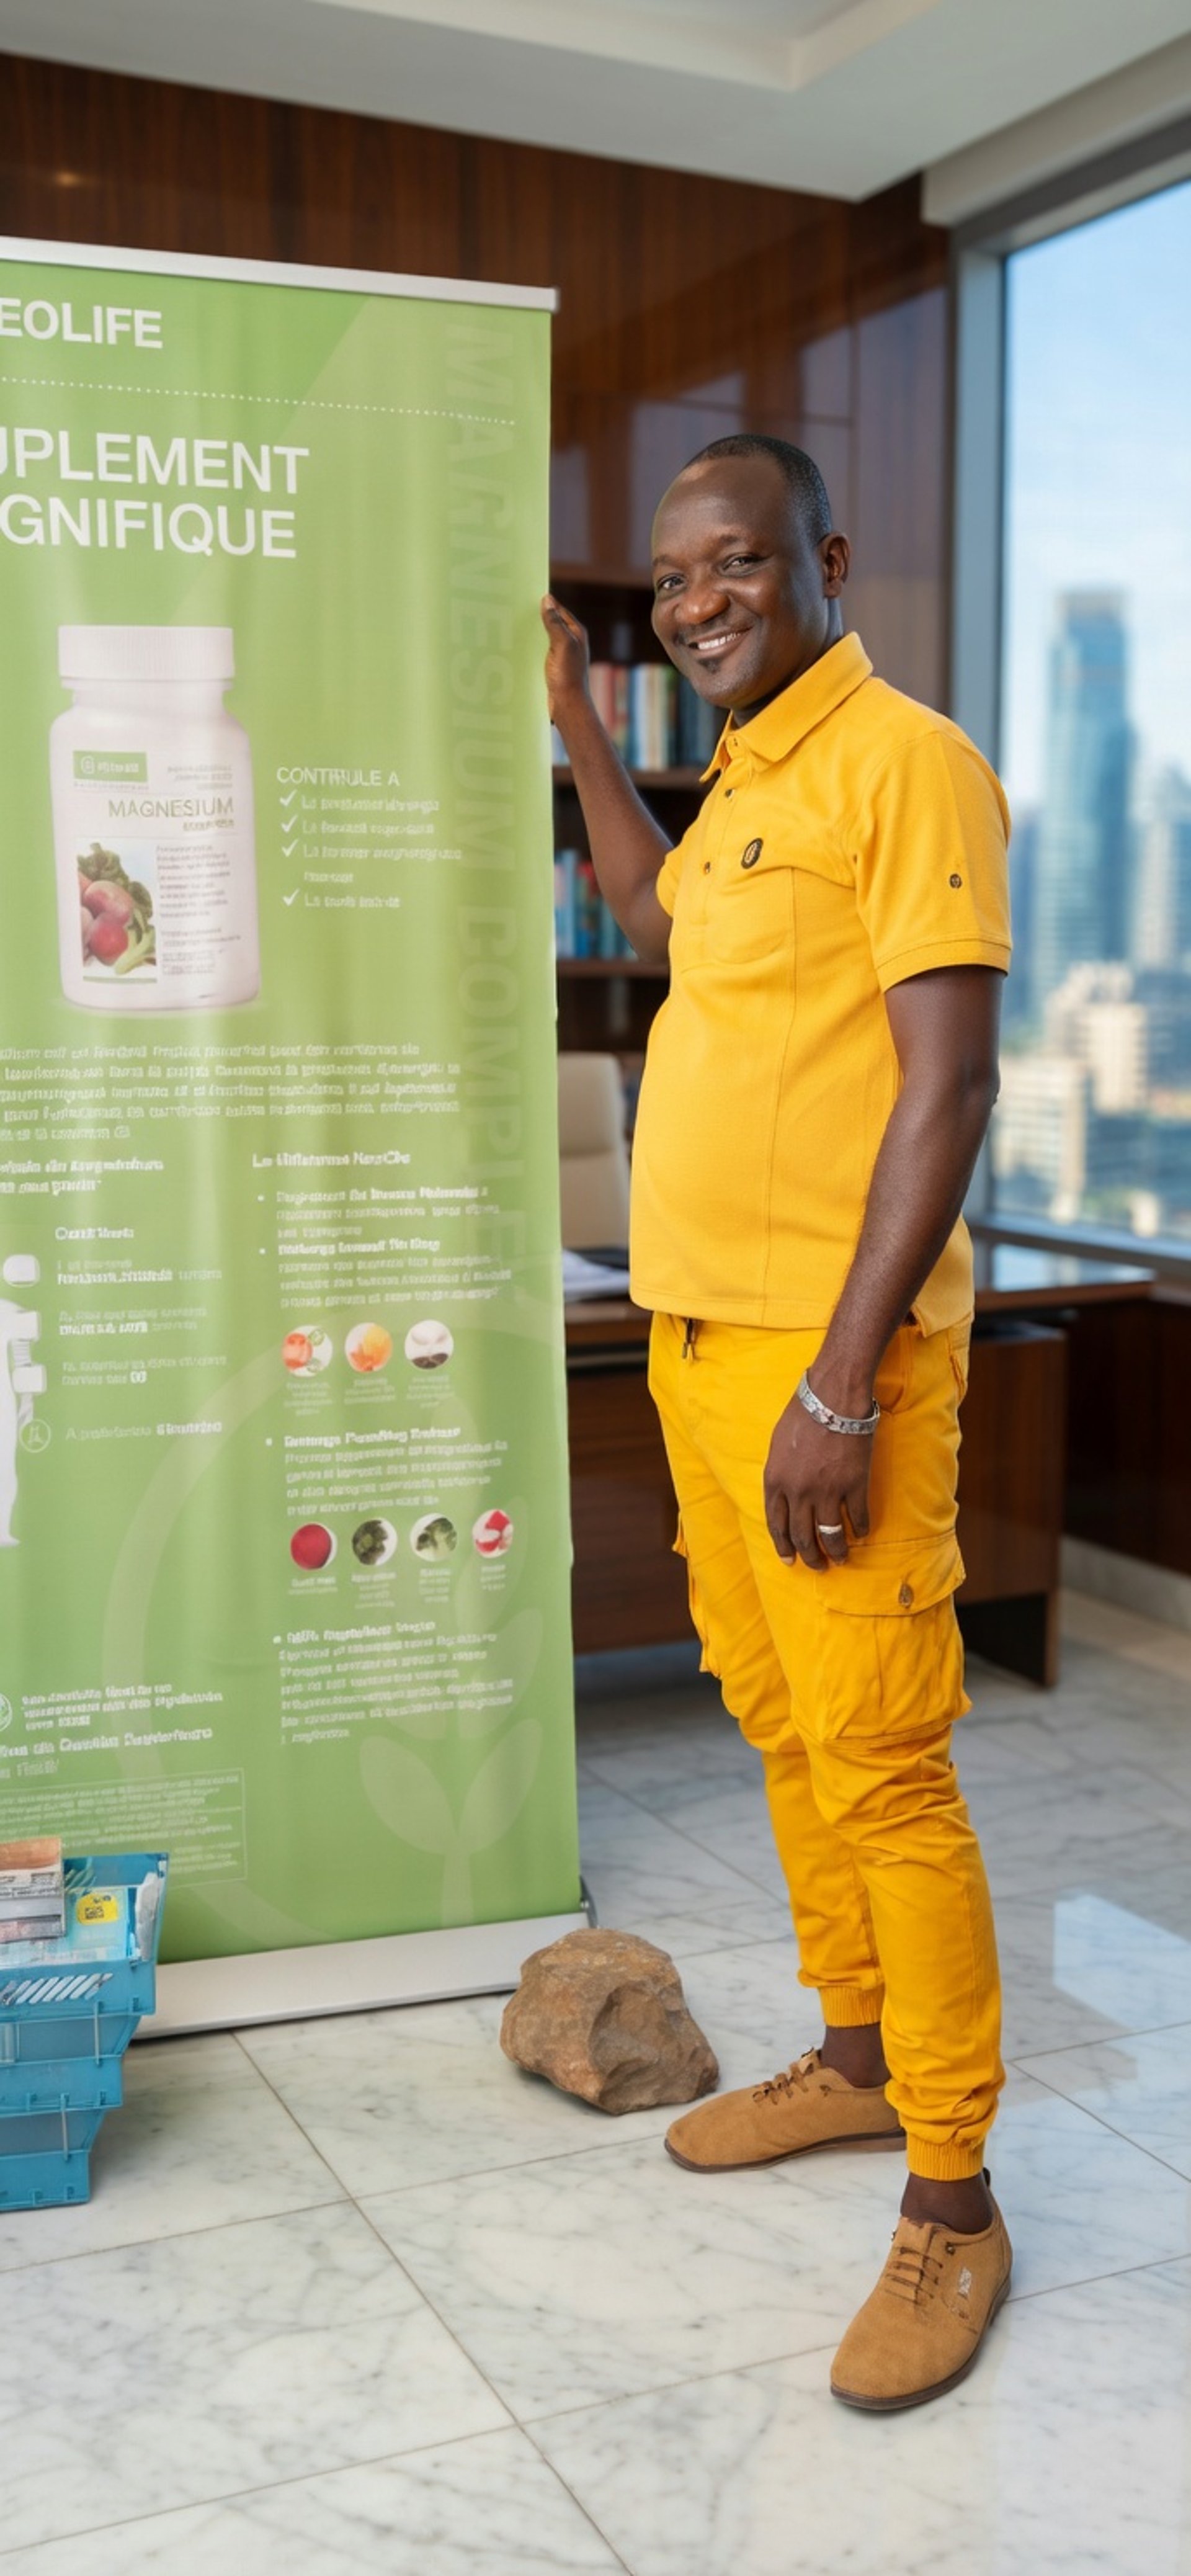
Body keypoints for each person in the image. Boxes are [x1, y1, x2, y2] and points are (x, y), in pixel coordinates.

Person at [542, 433, 1012, 2413]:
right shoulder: (743, 773)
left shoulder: (907, 762)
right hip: (695, 1345)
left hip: (831, 1367)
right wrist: (579, 711)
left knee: (884, 1761)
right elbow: (653, 917)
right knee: (782, 1722)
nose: (698, 601)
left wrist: (840, 1380)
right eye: (671, 581)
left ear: (824, 557)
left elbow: (951, 1087)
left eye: (730, 562)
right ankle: (859, 2053)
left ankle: (954, 2198)